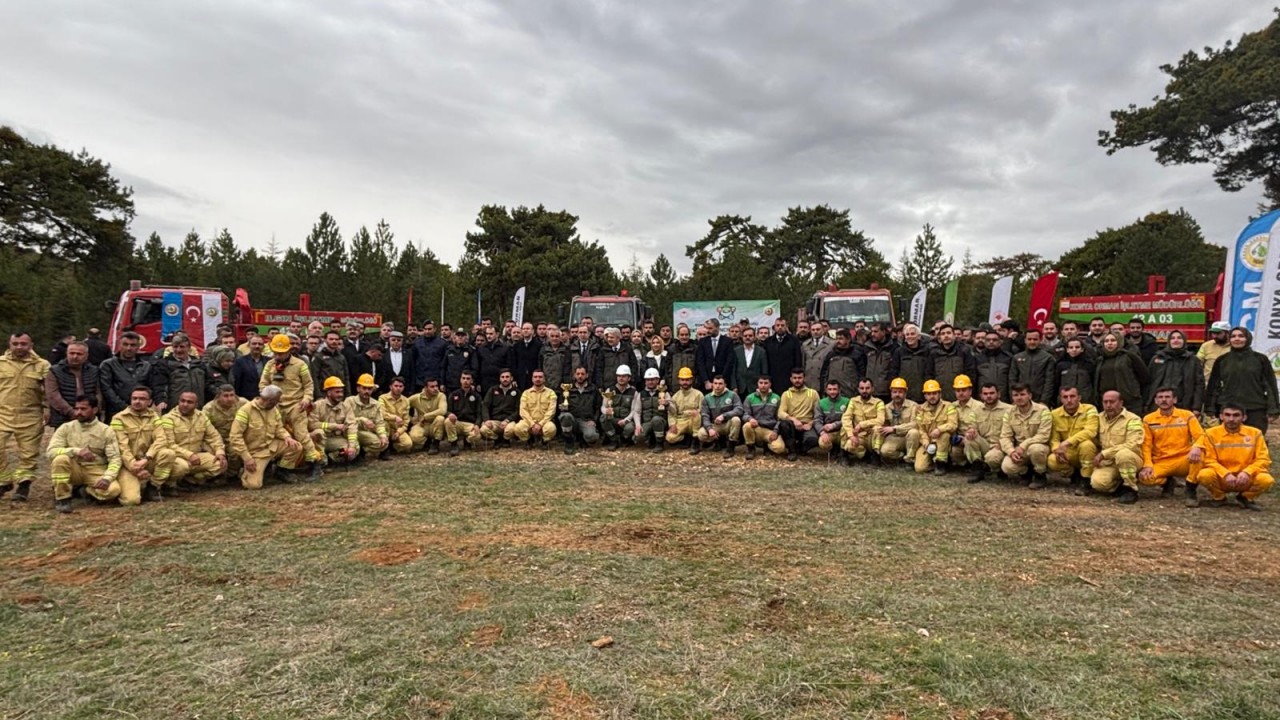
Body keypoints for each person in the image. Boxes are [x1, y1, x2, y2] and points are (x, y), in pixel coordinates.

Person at [259, 334, 325, 469]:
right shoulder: (269, 365)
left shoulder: (300, 364)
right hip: (275, 406)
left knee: (302, 435)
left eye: (281, 353)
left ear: (289, 351)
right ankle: (282, 467)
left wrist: (306, 399)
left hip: (296, 405)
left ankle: (314, 463)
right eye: (276, 353)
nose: (278, 356)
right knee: (273, 435)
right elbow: (263, 384)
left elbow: (309, 385)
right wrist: (267, 399)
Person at [46, 395, 121, 512]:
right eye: (76, 409)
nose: (78, 412)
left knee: (113, 491)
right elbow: (51, 452)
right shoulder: (66, 428)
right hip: (73, 467)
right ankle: (62, 498)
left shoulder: (106, 430)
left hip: (95, 469)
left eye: (83, 409)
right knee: (60, 459)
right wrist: (75, 451)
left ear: (95, 410)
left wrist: (107, 478)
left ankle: (86, 491)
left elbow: (115, 458)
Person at [1193, 404, 1274, 510]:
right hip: (1222, 478)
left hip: (1245, 478)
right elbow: (1209, 459)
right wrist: (1225, 474)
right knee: (1204, 475)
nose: (1231, 419)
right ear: (1221, 416)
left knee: (1267, 480)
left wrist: (1247, 472)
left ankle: (1246, 497)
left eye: (1236, 415)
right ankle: (1219, 497)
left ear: (1244, 417)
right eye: (1227, 415)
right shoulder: (1211, 433)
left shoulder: (1255, 433)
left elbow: (1263, 459)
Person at [230, 384, 309, 488]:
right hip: (255, 452)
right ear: (270, 401)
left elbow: (279, 428)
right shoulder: (245, 411)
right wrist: (247, 458)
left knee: (296, 447)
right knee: (253, 485)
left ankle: (282, 471)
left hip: (271, 446)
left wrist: (287, 437)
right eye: (277, 401)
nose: (278, 403)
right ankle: (245, 472)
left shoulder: (274, 409)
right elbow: (235, 437)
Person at [1204, 327, 1279, 432]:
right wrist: (1210, 408)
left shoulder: (1260, 359)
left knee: (1254, 442)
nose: (1237, 339)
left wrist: (1273, 410)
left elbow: (1270, 386)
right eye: (1233, 336)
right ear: (1229, 339)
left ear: (1247, 338)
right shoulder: (1222, 360)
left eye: (1241, 336)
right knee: (1229, 443)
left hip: (1255, 409)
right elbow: (1213, 386)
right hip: (1229, 410)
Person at [110, 386, 175, 504]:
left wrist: (146, 458)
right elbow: (121, 447)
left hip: (147, 460)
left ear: (150, 402)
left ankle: (154, 486)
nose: (137, 401)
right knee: (131, 500)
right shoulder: (118, 418)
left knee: (169, 455)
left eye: (142, 399)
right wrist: (134, 467)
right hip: (128, 464)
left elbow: (161, 439)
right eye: (134, 398)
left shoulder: (154, 416)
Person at [1142, 386, 1205, 505]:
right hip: (1161, 461)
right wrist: (1147, 465)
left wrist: (1196, 447)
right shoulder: (1148, 419)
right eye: (1160, 397)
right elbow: (1146, 445)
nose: (1163, 400)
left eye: (1167, 397)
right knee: (1145, 478)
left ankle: (1191, 489)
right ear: (1156, 401)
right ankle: (1167, 483)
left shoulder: (1187, 415)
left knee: (1201, 455)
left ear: (1174, 400)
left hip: (1184, 459)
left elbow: (1201, 436)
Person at [1089, 390, 1145, 504]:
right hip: (1109, 463)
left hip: (1131, 459)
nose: (1108, 405)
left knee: (1123, 454)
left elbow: (1132, 444)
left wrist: (1104, 454)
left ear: (1121, 403)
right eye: (1105, 402)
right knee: (1098, 483)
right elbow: (1092, 438)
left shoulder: (1133, 419)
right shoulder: (1098, 418)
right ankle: (1119, 484)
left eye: (1112, 402)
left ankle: (1131, 489)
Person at [1046, 386, 1099, 492]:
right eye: (1065, 397)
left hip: (1086, 450)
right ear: (1061, 399)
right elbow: (1054, 438)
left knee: (1086, 445)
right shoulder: (1055, 414)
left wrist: (1067, 443)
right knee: (1052, 461)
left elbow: (1090, 431)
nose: (1069, 400)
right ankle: (1073, 474)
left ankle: (1085, 480)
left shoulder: (1090, 409)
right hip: (1068, 451)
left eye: (1072, 396)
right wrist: (1057, 450)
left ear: (1079, 397)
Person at [1000, 383, 1052, 486]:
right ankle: (1026, 472)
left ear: (1030, 396)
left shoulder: (1043, 410)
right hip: (1019, 450)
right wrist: (1011, 452)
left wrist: (1024, 445)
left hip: (1039, 446)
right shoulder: (1009, 412)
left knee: (1035, 449)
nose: (1019, 398)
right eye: (1015, 395)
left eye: (1022, 394)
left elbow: (1044, 435)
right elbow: (1005, 436)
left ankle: (1040, 475)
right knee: (1007, 467)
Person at [960, 381, 1010, 483]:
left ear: (998, 394)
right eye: (986, 394)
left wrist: (1003, 444)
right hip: (985, 444)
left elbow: (1013, 432)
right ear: (981, 396)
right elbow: (972, 426)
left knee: (992, 458)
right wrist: (970, 431)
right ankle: (977, 469)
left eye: (992, 393)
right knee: (969, 438)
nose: (989, 396)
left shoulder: (1009, 410)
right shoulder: (976, 411)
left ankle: (1000, 469)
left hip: (1001, 446)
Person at [45, 341, 101, 428]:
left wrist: (92, 410)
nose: (75, 356)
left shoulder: (94, 371)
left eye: (79, 354)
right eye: (72, 353)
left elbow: (98, 392)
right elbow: (53, 395)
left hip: (90, 418)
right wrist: (72, 412)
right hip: (63, 418)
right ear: (66, 353)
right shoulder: (55, 371)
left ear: (86, 356)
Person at [1145, 330, 1204, 414]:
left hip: (1185, 405)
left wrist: (1196, 407)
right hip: (1159, 405)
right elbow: (1148, 383)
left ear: (1184, 341)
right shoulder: (1157, 359)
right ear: (1169, 341)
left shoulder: (1193, 360)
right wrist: (1147, 403)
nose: (1176, 340)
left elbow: (1199, 385)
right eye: (1172, 338)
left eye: (1179, 338)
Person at [1094, 331, 1149, 415]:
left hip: (1129, 402)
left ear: (1119, 342)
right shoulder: (1099, 360)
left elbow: (1144, 377)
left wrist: (1133, 392)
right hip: (1106, 402)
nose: (1109, 343)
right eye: (1106, 341)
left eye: (1113, 340)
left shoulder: (1129, 356)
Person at [910, 379, 956, 475]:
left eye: (934, 393)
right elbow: (921, 430)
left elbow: (953, 424)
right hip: (929, 443)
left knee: (945, 434)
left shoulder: (949, 406)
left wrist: (940, 429)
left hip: (943, 442)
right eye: (929, 394)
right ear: (925, 396)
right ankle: (933, 462)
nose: (932, 396)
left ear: (939, 394)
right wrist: (926, 443)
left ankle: (941, 464)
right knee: (919, 468)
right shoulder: (920, 410)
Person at [312, 376, 359, 465]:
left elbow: (352, 425)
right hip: (320, 440)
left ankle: (332, 459)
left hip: (336, 439)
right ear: (329, 393)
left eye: (341, 392)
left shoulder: (345, 406)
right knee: (318, 433)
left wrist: (351, 446)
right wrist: (334, 426)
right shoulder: (317, 406)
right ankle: (319, 464)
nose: (340, 395)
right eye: (337, 392)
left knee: (355, 447)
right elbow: (312, 424)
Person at [203, 384, 246, 480]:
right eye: (226, 396)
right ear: (218, 397)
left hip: (234, 437)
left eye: (232, 395)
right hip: (215, 439)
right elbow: (204, 429)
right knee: (212, 454)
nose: (230, 398)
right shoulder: (208, 408)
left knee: (236, 451)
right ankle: (214, 476)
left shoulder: (243, 403)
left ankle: (231, 475)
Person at [153, 334, 206, 411]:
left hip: (198, 408)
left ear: (189, 348)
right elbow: (159, 385)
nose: (178, 350)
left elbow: (207, 385)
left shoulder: (199, 364)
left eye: (182, 347)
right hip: (174, 409)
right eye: (175, 347)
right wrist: (161, 400)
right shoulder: (163, 364)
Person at [558, 366, 601, 455]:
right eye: (578, 374)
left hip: (586, 420)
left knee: (592, 436)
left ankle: (582, 439)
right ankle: (569, 441)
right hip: (572, 420)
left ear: (587, 375)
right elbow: (561, 405)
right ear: (574, 375)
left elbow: (598, 407)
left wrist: (594, 420)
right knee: (565, 416)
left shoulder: (593, 389)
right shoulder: (568, 389)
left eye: (582, 374)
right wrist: (563, 408)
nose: (580, 376)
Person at [696, 374, 742, 457]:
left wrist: (724, 416)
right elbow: (705, 415)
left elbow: (739, 409)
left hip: (728, 424)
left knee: (736, 420)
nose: (717, 386)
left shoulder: (732, 395)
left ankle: (731, 447)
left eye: (720, 384)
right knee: (701, 434)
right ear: (712, 384)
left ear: (725, 385)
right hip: (715, 425)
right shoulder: (707, 398)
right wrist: (709, 429)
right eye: (715, 383)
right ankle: (718, 442)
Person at [509, 369, 558, 447]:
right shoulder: (526, 393)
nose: (538, 379)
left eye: (540, 377)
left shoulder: (551, 393)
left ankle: (544, 441)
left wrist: (541, 424)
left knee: (551, 428)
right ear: (532, 379)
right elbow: (523, 410)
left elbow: (551, 411)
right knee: (518, 428)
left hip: (544, 422)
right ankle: (528, 440)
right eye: (535, 377)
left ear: (544, 379)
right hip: (529, 421)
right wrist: (532, 424)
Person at [929, 324, 977, 403]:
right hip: (940, 398)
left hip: (960, 398)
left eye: (948, 333)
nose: (946, 336)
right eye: (943, 334)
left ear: (954, 335)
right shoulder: (934, 353)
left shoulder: (964, 351)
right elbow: (929, 374)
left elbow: (971, 373)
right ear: (939, 338)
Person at [347, 373, 390, 459]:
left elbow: (379, 422)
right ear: (358, 388)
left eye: (369, 389)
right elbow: (346, 421)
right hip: (350, 432)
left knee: (383, 443)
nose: (367, 391)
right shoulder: (349, 401)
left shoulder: (376, 404)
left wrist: (383, 436)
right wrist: (362, 419)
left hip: (367, 433)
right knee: (350, 453)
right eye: (364, 388)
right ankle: (357, 452)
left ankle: (363, 450)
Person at [841, 378, 884, 465]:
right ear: (858, 389)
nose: (864, 391)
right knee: (845, 431)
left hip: (872, 435)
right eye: (862, 388)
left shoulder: (879, 403)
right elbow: (846, 417)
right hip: (859, 435)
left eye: (867, 388)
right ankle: (847, 455)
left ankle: (875, 455)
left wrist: (861, 424)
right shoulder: (853, 401)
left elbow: (880, 420)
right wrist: (850, 435)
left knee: (878, 428)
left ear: (872, 389)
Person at [876, 377, 918, 464]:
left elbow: (915, 424)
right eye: (894, 392)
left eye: (900, 392)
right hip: (895, 437)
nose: (897, 394)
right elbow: (884, 424)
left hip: (909, 437)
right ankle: (902, 457)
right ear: (891, 393)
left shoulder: (913, 406)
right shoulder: (886, 408)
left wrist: (895, 428)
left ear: (905, 393)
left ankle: (910, 459)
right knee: (885, 451)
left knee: (914, 432)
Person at [1010, 328, 1056, 406]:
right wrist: (1013, 398)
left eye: (1035, 339)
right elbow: (1012, 379)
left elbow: (1049, 381)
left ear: (1040, 340)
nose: (1032, 342)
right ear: (1025, 340)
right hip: (1020, 398)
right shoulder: (1017, 357)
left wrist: (1044, 401)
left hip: (1040, 399)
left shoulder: (1048, 358)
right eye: (1029, 339)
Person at [741, 376, 783, 459]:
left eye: (766, 383)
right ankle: (751, 448)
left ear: (770, 384)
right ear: (757, 384)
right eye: (761, 383)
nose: (763, 385)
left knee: (779, 448)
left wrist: (776, 431)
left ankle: (766, 446)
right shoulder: (750, 398)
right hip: (757, 428)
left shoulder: (777, 398)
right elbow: (745, 414)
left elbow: (780, 418)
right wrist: (750, 419)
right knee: (747, 426)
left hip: (770, 429)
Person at [600, 366, 640, 451]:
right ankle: (613, 440)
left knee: (630, 428)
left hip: (625, 420)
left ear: (629, 378)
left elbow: (634, 410)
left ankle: (623, 439)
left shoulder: (634, 392)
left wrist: (626, 420)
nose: (621, 378)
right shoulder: (609, 390)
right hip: (613, 419)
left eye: (624, 376)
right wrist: (606, 411)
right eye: (619, 376)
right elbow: (603, 406)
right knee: (603, 418)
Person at [806, 380, 847, 459]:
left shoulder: (847, 401)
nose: (832, 392)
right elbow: (817, 420)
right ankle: (832, 450)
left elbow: (849, 420)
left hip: (843, 432)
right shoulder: (821, 403)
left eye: (835, 389)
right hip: (829, 432)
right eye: (830, 389)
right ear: (826, 390)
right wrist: (822, 432)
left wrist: (834, 425)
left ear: (839, 390)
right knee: (822, 443)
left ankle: (844, 454)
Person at [664, 366, 704, 449]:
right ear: (679, 380)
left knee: (697, 415)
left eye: (687, 380)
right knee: (670, 438)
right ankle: (686, 438)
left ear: (691, 380)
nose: (685, 382)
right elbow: (671, 413)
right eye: (682, 380)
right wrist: (672, 424)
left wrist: (697, 412)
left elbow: (704, 410)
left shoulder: (698, 394)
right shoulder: (675, 396)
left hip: (693, 421)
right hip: (681, 421)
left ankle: (695, 441)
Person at [480, 370, 522, 448]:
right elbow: (485, 405)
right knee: (483, 429)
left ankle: (506, 439)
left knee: (512, 429)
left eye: (507, 377)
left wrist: (508, 420)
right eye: (502, 377)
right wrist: (486, 419)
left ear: (511, 378)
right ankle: (497, 439)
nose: (505, 379)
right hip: (495, 420)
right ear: (499, 379)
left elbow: (518, 410)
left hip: (509, 421)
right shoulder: (493, 390)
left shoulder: (516, 392)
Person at [632, 368, 668, 452]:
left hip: (660, 422)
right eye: (648, 380)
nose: (650, 382)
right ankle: (651, 438)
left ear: (657, 380)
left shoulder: (664, 393)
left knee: (656, 420)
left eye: (652, 380)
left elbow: (673, 410)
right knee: (637, 438)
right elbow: (637, 412)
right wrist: (638, 425)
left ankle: (659, 443)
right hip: (647, 422)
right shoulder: (641, 394)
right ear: (645, 381)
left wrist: (667, 404)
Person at [820, 330, 864, 399]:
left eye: (841, 339)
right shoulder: (831, 354)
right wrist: (825, 389)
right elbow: (824, 374)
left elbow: (862, 374)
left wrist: (857, 390)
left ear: (848, 339)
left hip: (850, 393)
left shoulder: (857, 355)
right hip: (833, 392)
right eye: (836, 338)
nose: (838, 341)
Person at [762, 318, 802, 395]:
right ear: (774, 327)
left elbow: (798, 359)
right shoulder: (768, 341)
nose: (780, 327)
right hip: (772, 376)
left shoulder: (794, 341)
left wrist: (796, 375)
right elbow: (765, 360)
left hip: (788, 376)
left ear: (786, 326)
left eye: (782, 325)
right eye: (778, 325)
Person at [862, 322, 900, 401]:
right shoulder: (867, 347)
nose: (872, 334)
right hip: (869, 391)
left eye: (876, 331)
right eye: (872, 331)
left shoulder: (894, 347)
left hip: (886, 392)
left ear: (883, 332)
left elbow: (895, 369)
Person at [408, 378, 448, 453]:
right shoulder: (417, 397)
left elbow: (443, 410)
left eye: (436, 386)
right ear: (425, 388)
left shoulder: (441, 396)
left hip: (435, 424)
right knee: (414, 437)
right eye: (432, 387)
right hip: (422, 424)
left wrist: (426, 416)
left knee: (440, 418)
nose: (435, 388)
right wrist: (410, 419)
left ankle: (436, 443)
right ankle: (427, 442)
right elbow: (404, 405)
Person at [896, 324, 933, 403]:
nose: (910, 336)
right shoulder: (899, 352)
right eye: (907, 334)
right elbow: (894, 371)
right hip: (904, 394)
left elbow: (929, 372)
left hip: (921, 394)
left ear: (919, 336)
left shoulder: (927, 351)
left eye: (912, 334)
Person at [1056, 338, 1097, 407]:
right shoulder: (1060, 365)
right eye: (1071, 347)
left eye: (1077, 347)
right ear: (1067, 350)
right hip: (1065, 402)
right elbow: (1056, 384)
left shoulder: (1089, 364)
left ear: (1082, 349)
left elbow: (1094, 383)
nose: (1074, 349)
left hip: (1086, 401)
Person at [378, 376, 414, 454]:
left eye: (401, 386)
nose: (398, 388)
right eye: (396, 386)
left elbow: (406, 421)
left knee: (408, 445)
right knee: (384, 423)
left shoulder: (406, 401)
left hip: (397, 429)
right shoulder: (382, 398)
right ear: (390, 387)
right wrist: (395, 418)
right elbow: (382, 414)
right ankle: (384, 450)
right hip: (386, 428)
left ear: (403, 388)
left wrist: (398, 432)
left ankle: (392, 446)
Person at [800, 323, 833, 392]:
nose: (815, 331)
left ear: (823, 330)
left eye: (818, 329)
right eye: (813, 330)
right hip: (809, 380)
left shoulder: (831, 344)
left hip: (824, 380)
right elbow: (803, 363)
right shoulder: (805, 345)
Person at [510, 322, 542, 390]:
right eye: (523, 329)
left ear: (533, 331)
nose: (525, 330)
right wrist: (514, 378)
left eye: (527, 329)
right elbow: (514, 363)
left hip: (534, 377)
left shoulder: (539, 345)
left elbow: (540, 361)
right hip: (520, 377)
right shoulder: (517, 346)